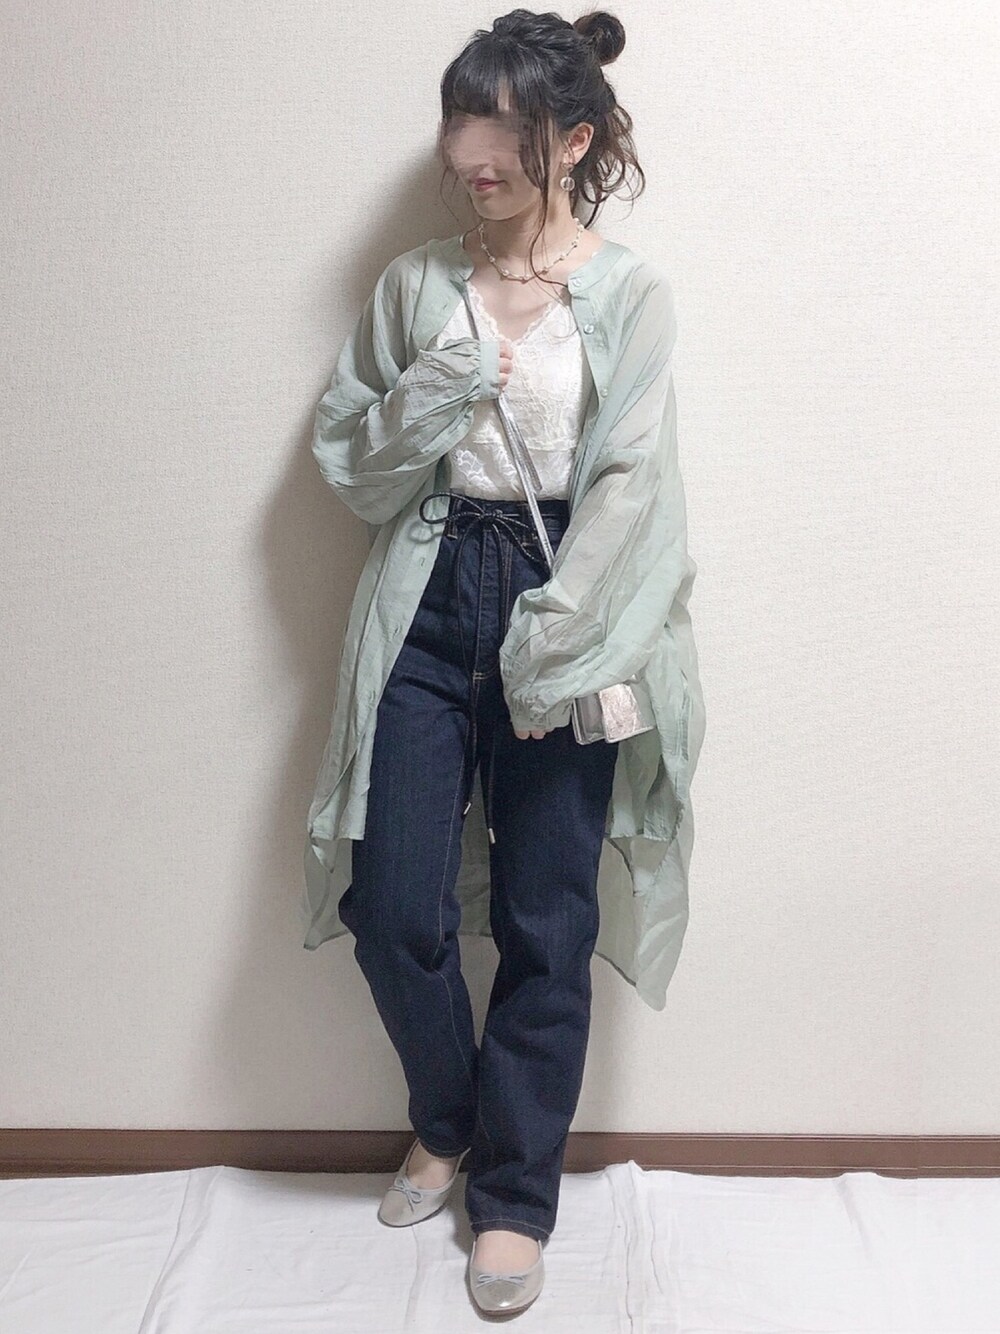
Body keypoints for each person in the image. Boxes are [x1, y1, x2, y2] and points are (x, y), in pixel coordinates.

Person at [303, 7, 705, 1317]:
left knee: (547, 916)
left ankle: (517, 1195)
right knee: (392, 902)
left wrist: (556, 633)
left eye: (501, 132)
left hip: (570, 598)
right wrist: (445, 380)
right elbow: (354, 467)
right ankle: (451, 1116)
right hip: (425, 595)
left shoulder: (629, 293)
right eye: (457, 124)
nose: (468, 155)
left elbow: (635, 486)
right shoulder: (416, 285)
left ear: (572, 139)